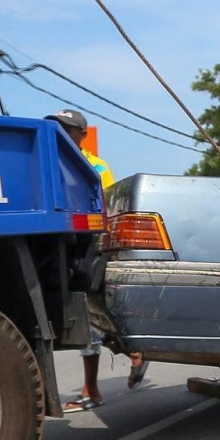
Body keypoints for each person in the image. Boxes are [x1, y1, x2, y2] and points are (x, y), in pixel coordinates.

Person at [45, 109, 149, 412]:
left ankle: (92, 391)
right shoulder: (53, 162)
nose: (60, 133)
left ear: (82, 134)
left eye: (66, 128)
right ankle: (134, 354)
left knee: (85, 314)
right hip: (63, 247)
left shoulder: (94, 166)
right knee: (91, 316)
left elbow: (103, 209)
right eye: (56, 128)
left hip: (86, 248)